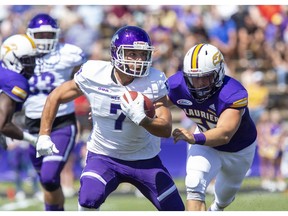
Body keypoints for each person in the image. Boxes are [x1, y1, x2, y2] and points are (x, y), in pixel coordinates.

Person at [36, 25, 185, 211]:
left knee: (176, 209)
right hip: (104, 156)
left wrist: (143, 120)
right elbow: (56, 95)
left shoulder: (154, 81)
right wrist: (44, 134)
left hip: (144, 158)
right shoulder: (94, 73)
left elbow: (165, 129)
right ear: (116, 53)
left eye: (142, 54)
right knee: (88, 199)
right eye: (132, 54)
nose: (139, 60)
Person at [167, 43, 257, 211]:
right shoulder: (177, 84)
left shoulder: (232, 93)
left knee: (224, 198)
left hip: (239, 150)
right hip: (205, 143)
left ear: (219, 73)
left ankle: (216, 209)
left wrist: (194, 138)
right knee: (194, 186)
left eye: (205, 77)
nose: (199, 83)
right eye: (194, 77)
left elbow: (224, 134)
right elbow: (156, 103)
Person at [23, 13, 86, 211]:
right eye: (39, 35)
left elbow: (86, 77)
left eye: (49, 35)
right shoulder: (20, 54)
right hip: (31, 124)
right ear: (30, 35)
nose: (44, 39)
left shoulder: (69, 54)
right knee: (46, 180)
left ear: (57, 35)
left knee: (50, 176)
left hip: (61, 123)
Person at [0, 34, 38, 149]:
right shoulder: (15, 81)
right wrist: (34, 140)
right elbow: (3, 125)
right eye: (27, 60)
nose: (32, 65)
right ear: (11, 59)